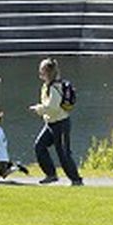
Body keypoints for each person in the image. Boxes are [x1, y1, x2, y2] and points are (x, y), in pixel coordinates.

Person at [29, 58, 83, 186]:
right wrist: (41, 109)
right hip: (50, 123)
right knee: (39, 146)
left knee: (63, 153)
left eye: (42, 71)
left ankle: (76, 179)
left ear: (48, 72)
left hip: (61, 123)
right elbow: (48, 106)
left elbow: (53, 108)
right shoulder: (46, 86)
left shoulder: (55, 87)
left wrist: (38, 109)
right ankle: (51, 174)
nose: (39, 74)